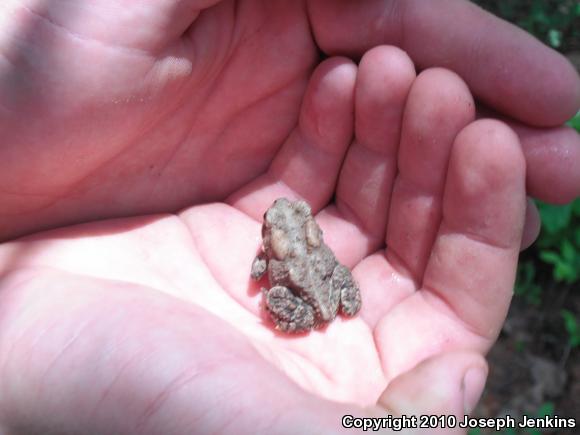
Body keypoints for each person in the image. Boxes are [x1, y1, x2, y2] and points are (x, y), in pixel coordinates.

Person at [0, 1, 577, 433]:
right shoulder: (302, 242)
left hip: (307, 287)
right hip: (325, 282)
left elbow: (263, 274)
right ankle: (333, 299)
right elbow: (302, 257)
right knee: (331, 280)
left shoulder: (270, 251)